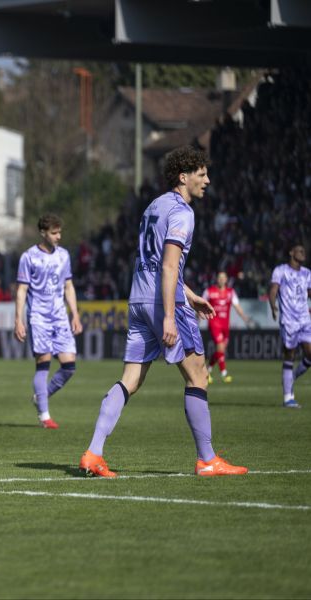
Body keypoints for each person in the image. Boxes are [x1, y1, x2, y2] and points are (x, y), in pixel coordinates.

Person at [79, 146, 247, 478]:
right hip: (162, 304)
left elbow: (155, 261)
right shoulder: (183, 212)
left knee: (131, 379)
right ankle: (207, 459)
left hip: (138, 300)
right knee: (198, 375)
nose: (207, 181)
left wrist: (191, 294)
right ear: (183, 177)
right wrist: (170, 315)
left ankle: (93, 453)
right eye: (202, 174)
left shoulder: (153, 206)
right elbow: (169, 265)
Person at [14, 214, 83, 429]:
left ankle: (41, 396)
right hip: (38, 317)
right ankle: (44, 416)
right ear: (43, 233)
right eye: (54, 233)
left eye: (59, 232)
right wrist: (18, 320)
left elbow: (68, 286)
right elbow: (22, 290)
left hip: (60, 316)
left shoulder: (63, 255)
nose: (58, 236)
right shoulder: (29, 257)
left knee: (69, 366)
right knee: (43, 363)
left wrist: (75, 314)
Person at [269, 243, 311, 408]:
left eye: (304, 251)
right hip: (289, 320)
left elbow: (309, 292)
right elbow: (273, 290)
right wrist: (273, 306)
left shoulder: (307, 273)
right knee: (290, 355)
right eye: (300, 251)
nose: (303, 253)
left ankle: (292, 377)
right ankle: (288, 398)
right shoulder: (280, 271)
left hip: (305, 320)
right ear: (291, 252)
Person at [202, 271, 253, 384]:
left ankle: (207, 371)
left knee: (220, 350)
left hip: (225, 326)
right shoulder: (209, 291)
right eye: (219, 277)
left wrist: (245, 318)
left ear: (226, 279)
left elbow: (237, 306)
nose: (221, 279)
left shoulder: (231, 292)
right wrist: (197, 318)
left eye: (223, 277)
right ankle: (224, 373)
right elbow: (201, 304)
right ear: (217, 279)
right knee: (220, 347)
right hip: (214, 324)